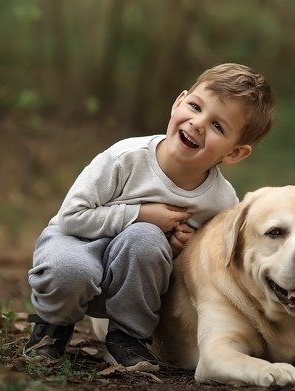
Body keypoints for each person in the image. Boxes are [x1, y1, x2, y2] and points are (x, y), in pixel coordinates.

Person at [24, 63, 275, 372]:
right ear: (178, 102)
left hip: (132, 279)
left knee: (146, 240)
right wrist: (140, 214)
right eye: (195, 107)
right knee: (71, 269)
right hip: (77, 243)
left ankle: (126, 338)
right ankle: (52, 326)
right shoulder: (125, 158)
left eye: (217, 126)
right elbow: (71, 218)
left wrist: (184, 246)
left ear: (234, 153)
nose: (198, 124)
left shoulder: (220, 200)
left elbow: (209, 261)